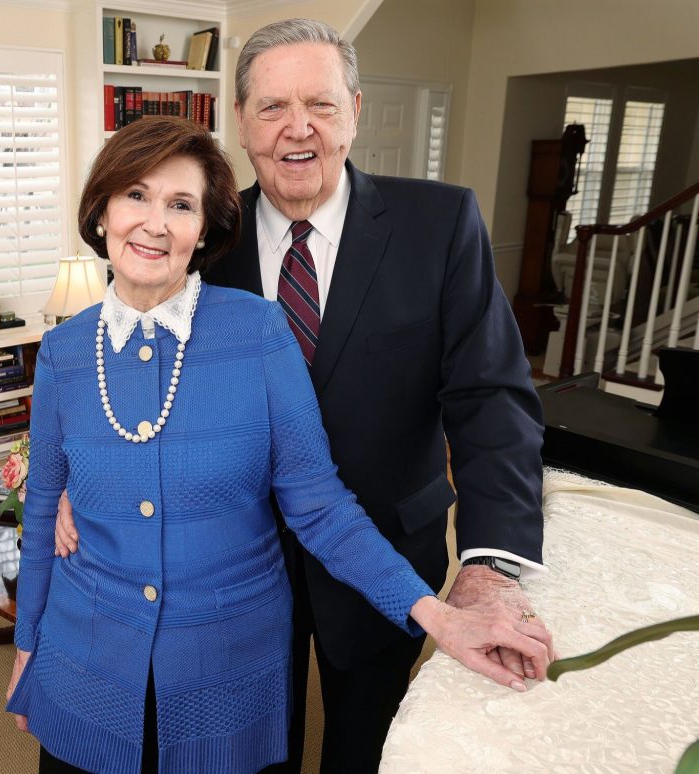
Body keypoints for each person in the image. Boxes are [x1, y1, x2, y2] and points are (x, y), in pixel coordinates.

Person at [56, 19, 553, 774]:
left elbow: (493, 401)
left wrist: (490, 564)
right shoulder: (197, 241)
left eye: (320, 105)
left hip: (385, 545)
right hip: (236, 568)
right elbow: (123, 367)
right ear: (241, 123)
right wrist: (78, 480)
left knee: (366, 744)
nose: (298, 129)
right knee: (254, 748)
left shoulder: (441, 224)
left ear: (354, 110)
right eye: (272, 108)